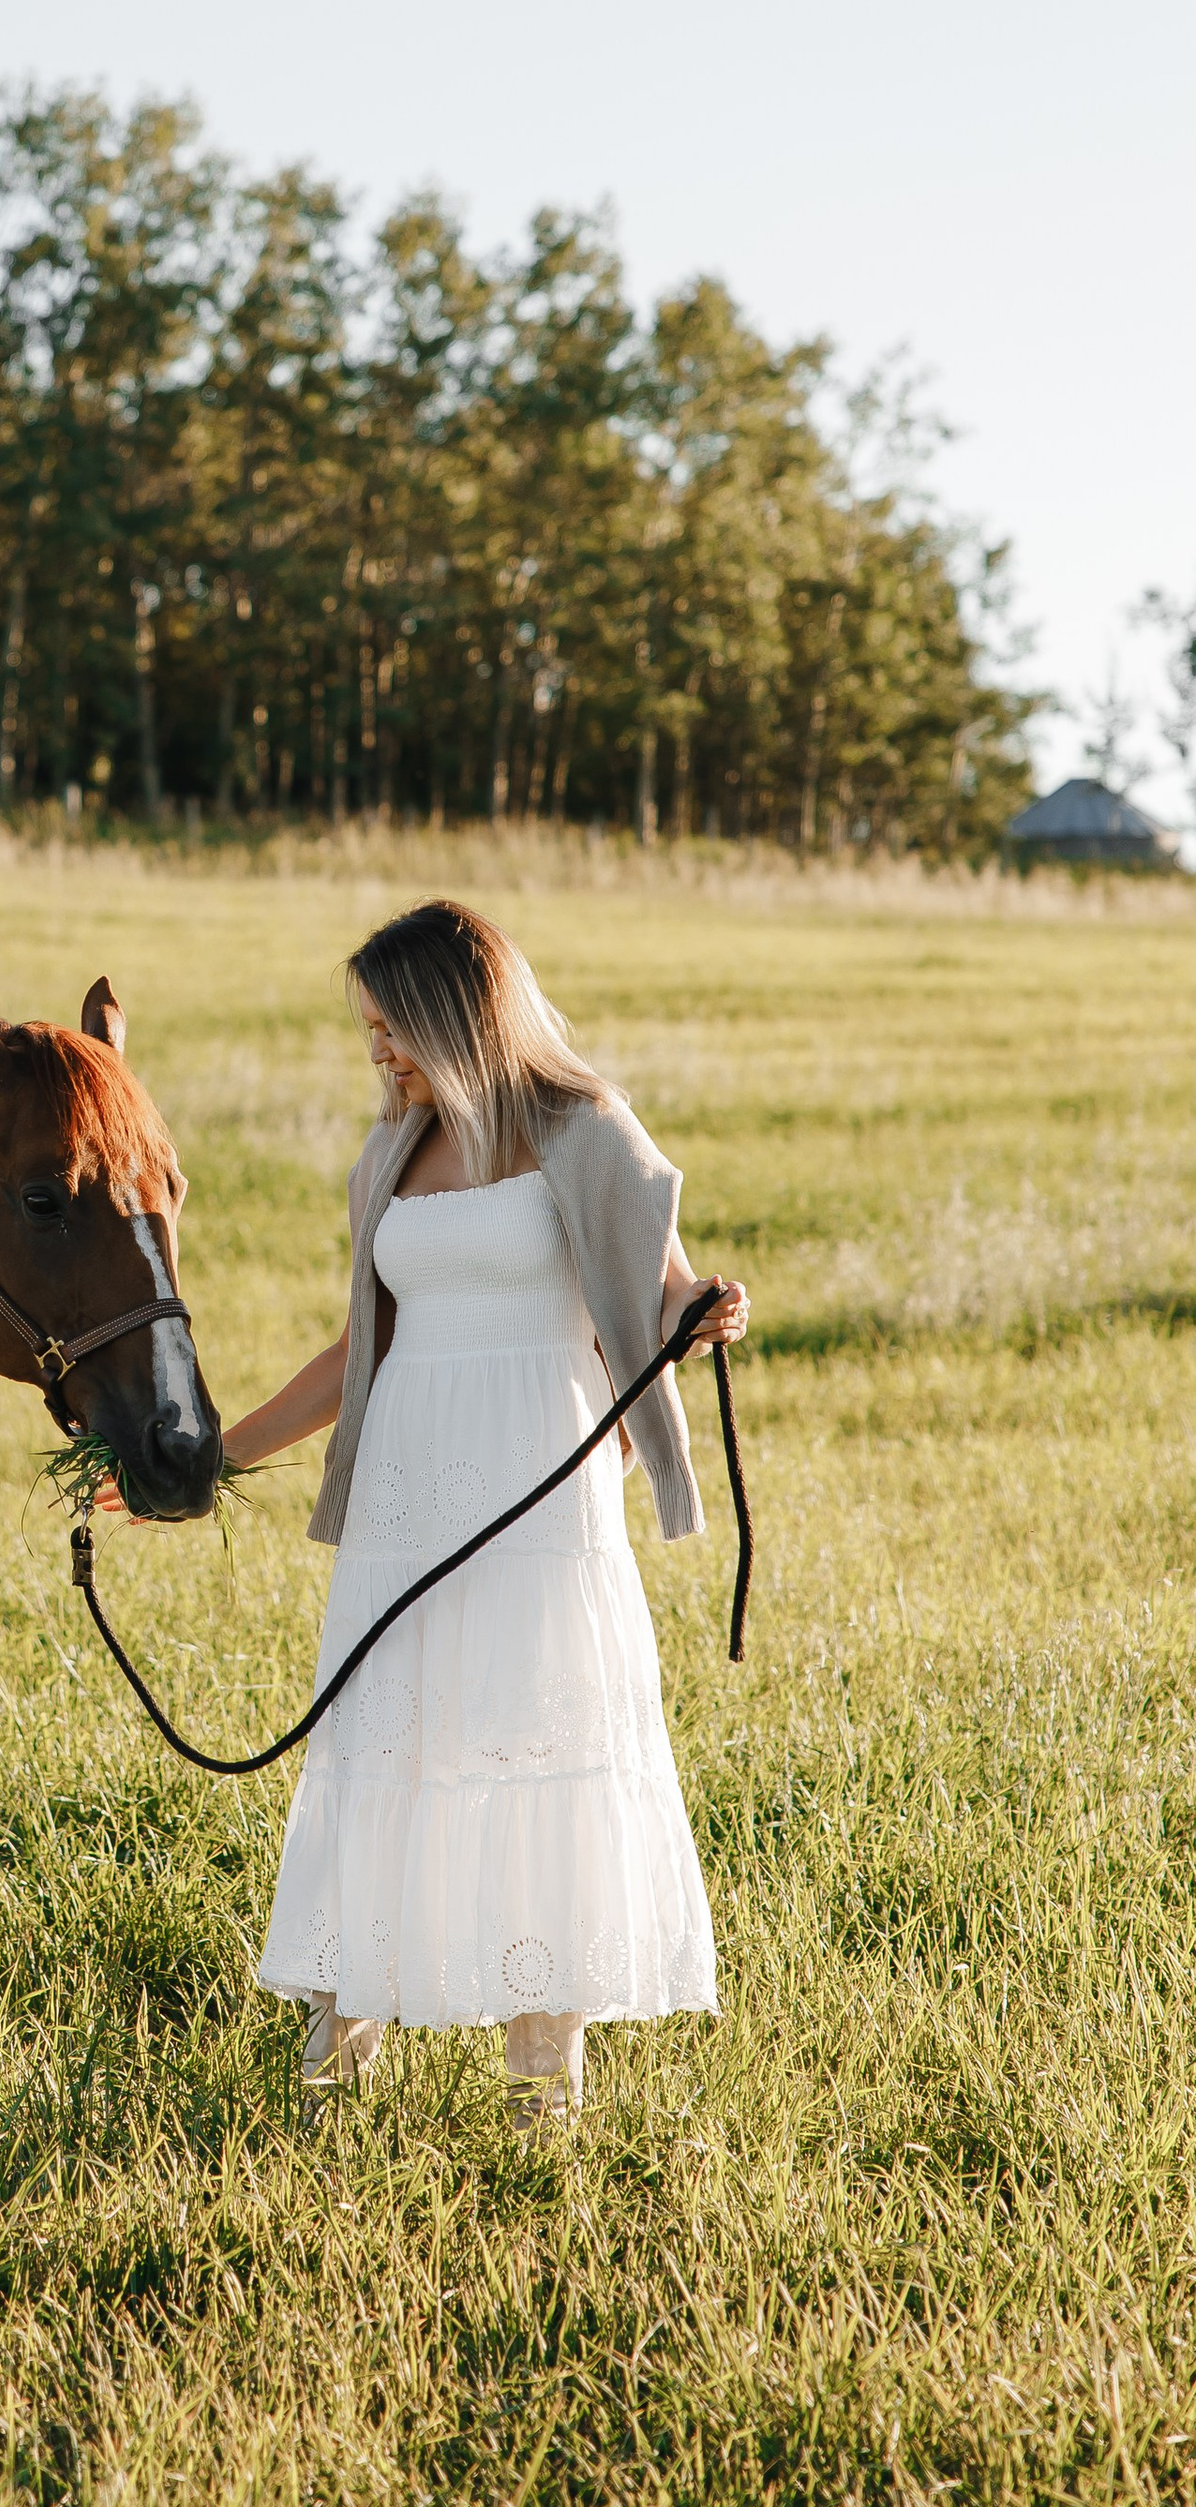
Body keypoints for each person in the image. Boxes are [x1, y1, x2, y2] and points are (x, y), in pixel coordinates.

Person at [223, 899, 745, 2128]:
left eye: (391, 1025)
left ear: (457, 1013)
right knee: (385, 1748)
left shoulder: (586, 1129)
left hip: (538, 1494)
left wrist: (711, 1312)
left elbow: (669, 1300)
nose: (376, 1050)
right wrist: (211, 1461)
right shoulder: (388, 1154)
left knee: (534, 1748)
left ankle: (539, 2093)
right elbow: (355, 1350)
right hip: (405, 1496)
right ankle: (334, 2066)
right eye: (366, 1028)